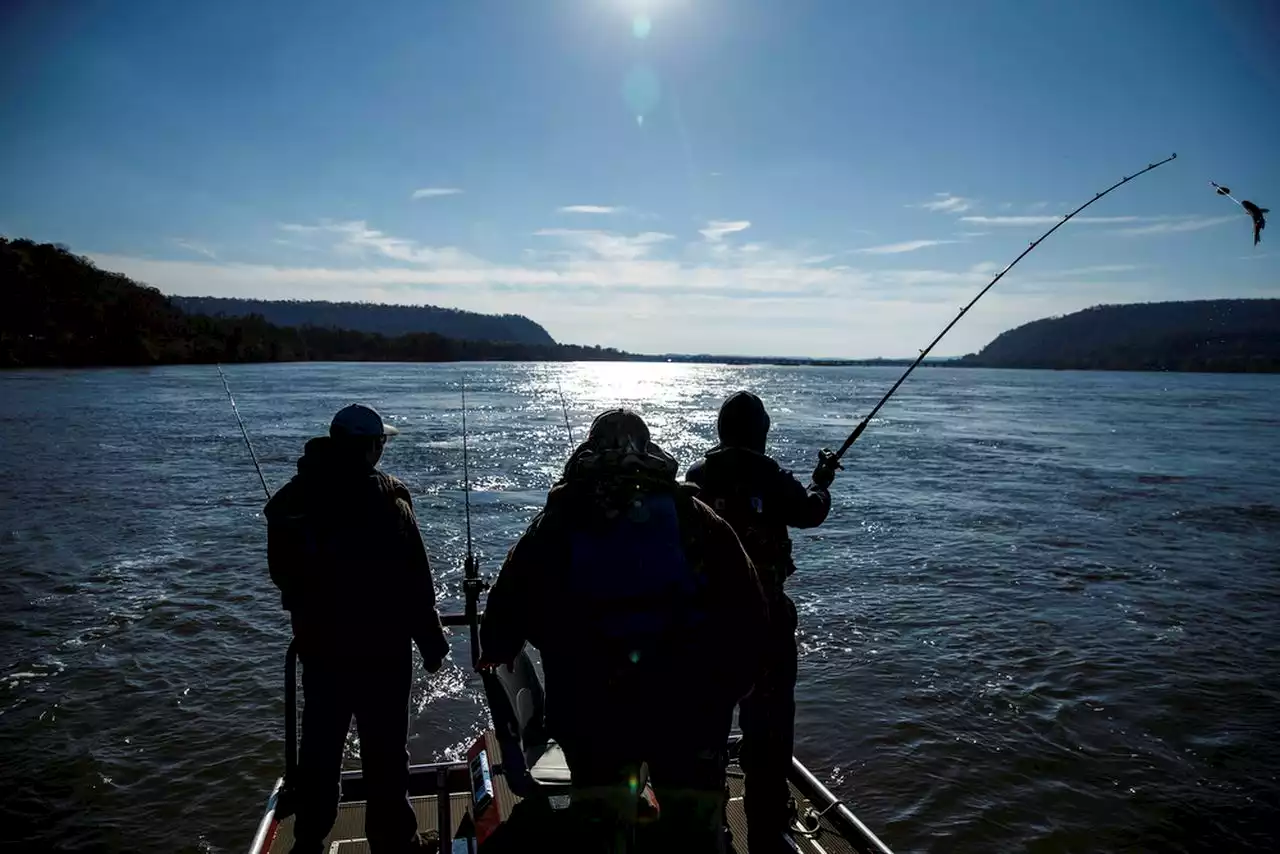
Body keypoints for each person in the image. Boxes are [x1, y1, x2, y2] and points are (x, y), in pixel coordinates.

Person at [479, 408, 770, 852]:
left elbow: (502, 615)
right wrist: (731, 687)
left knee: (602, 829)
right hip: (687, 710)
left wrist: (505, 648)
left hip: (591, 712)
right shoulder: (692, 515)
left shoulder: (558, 520)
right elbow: (748, 607)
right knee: (692, 830)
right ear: (649, 448)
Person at [264, 404, 450, 854]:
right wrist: (432, 642)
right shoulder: (389, 500)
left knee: (320, 750)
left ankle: (308, 838)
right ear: (369, 446)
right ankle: (393, 842)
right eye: (380, 442)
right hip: (381, 652)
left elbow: (282, 576)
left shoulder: (292, 500)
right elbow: (415, 581)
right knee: (386, 754)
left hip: (321, 648)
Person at [684, 391, 840, 854]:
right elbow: (811, 512)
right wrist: (823, 481)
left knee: (707, 731)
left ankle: (712, 829)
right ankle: (766, 829)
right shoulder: (770, 478)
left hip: (707, 627)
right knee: (769, 732)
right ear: (761, 432)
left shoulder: (696, 476)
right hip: (766, 627)